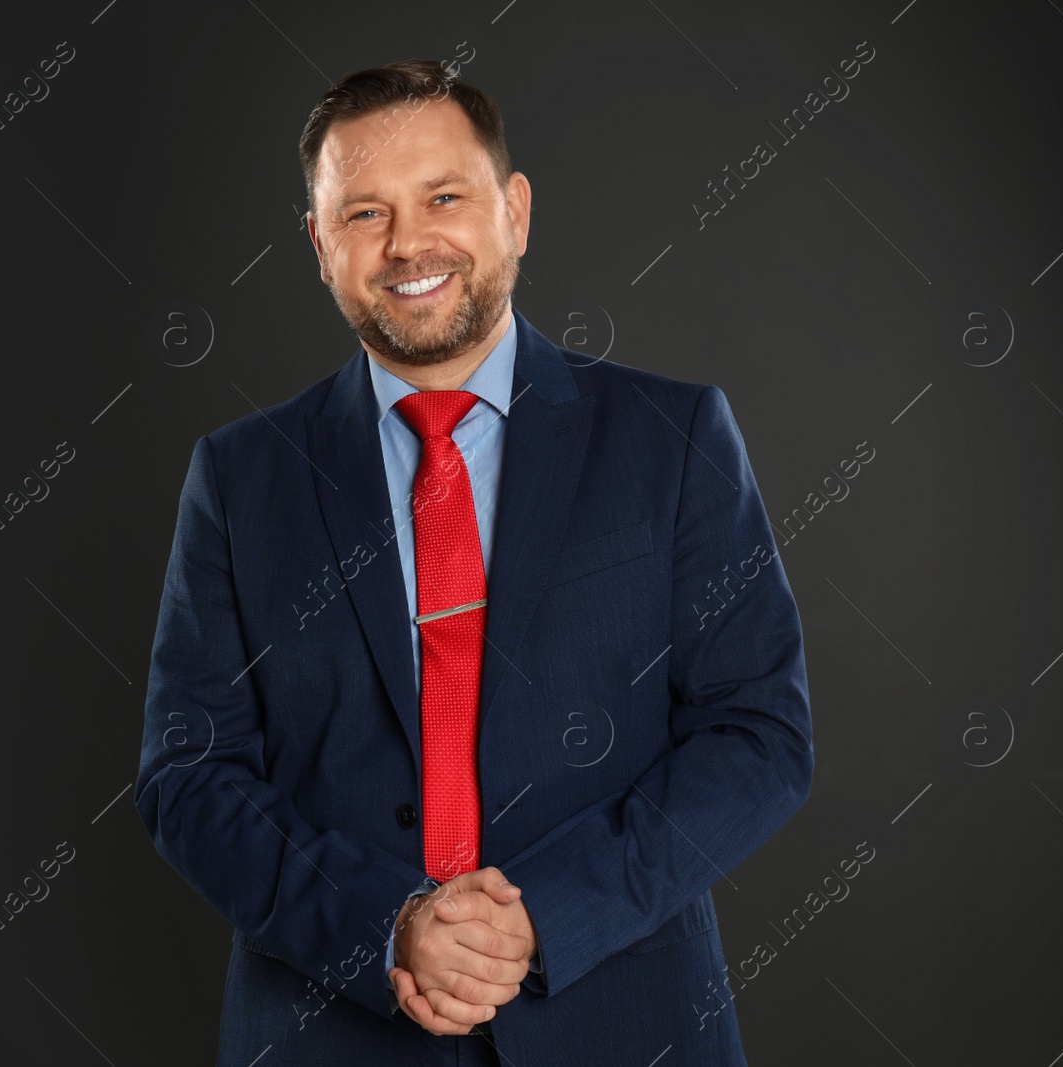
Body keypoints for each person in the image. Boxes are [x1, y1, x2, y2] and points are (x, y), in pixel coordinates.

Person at [136, 57, 813, 1065]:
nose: (409, 242)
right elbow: (188, 774)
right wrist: (387, 925)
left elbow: (758, 735)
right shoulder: (240, 479)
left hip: (622, 1021)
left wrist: (541, 914)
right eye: (364, 213)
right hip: (330, 1028)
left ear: (514, 211)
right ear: (321, 245)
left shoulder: (669, 437)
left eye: (442, 197)